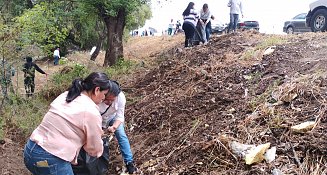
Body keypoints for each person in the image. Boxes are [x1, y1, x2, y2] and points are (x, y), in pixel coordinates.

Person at [23, 72, 112, 175]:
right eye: (104, 94)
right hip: (50, 159)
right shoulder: (91, 111)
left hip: (30, 152)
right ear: (97, 90)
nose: (103, 98)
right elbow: (94, 150)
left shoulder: (67, 95)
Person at [99, 80, 136, 174]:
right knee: (100, 141)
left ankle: (129, 162)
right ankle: (101, 165)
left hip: (112, 117)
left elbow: (120, 117)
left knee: (121, 134)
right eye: (107, 99)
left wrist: (114, 127)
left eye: (112, 100)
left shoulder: (121, 98)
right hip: (98, 120)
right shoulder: (98, 97)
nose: (108, 102)